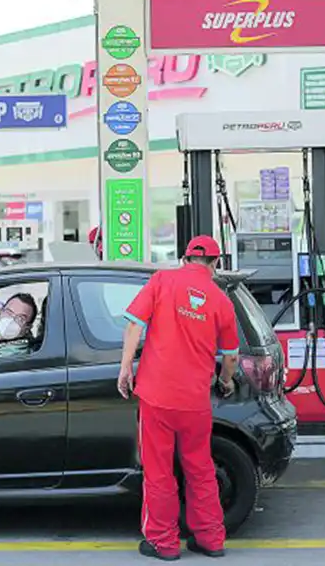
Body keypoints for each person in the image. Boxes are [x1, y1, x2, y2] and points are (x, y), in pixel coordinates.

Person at [117, 235, 240, 561]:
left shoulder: (162, 280)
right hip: (195, 402)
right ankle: (211, 540)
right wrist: (225, 383)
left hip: (156, 397)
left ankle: (163, 543)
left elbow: (134, 325)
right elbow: (231, 357)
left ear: (185, 258)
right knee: (200, 468)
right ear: (216, 263)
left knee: (158, 471)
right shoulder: (221, 300)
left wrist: (126, 368)